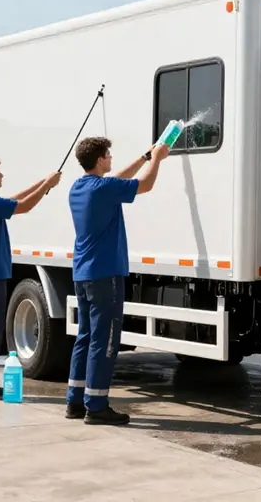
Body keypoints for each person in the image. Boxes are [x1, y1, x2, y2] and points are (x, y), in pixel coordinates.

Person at [65, 136, 169, 425]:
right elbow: (144, 185)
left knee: (85, 337)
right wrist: (158, 159)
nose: (111, 159)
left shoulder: (80, 187)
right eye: (108, 156)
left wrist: (143, 158)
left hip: (83, 273)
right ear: (99, 159)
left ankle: (75, 401)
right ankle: (96, 406)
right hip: (105, 274)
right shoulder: (104, 188)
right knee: (105, 341)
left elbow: (115, 179)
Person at [0, 158, 62, 399]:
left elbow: (12, 201)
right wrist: (46, 185)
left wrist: (43, 183)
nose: (1, 175)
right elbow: (24, 206)